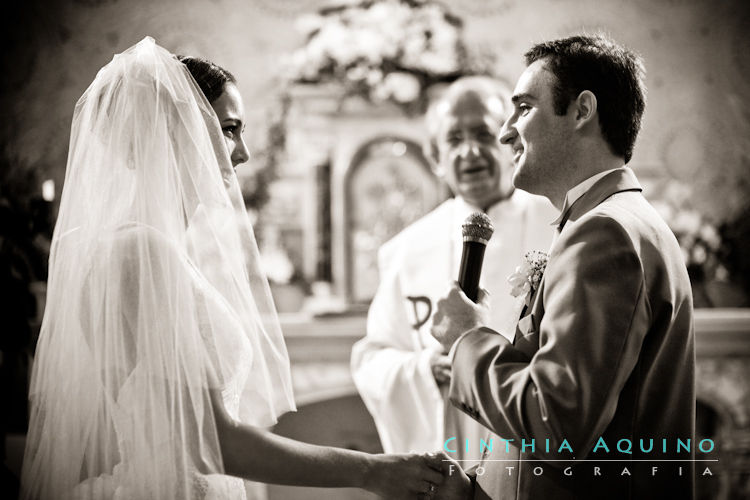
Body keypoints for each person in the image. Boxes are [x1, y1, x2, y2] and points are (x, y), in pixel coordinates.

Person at [20, 37, 445, 500]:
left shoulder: (165, 251)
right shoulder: (137, 251)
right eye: (229, 129)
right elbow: (210, 442)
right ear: (173, 130)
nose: (242, 153)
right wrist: (371, 471)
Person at [429, 34, 695, 499]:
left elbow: (556, 422)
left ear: (581, 111)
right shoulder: (614, 220)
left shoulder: (605, 233)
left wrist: (467, 339)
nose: (506, 131)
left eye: (524, 108)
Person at [351, 76, 556, 463]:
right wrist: (426, 368)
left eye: (484, 134)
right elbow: (372, 358)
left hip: (534, 443)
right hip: (449, 450)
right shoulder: (406, 249)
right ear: (435, 158)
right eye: (454, 139)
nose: (470, 152)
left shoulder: (559, 225)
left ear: (513, 140)